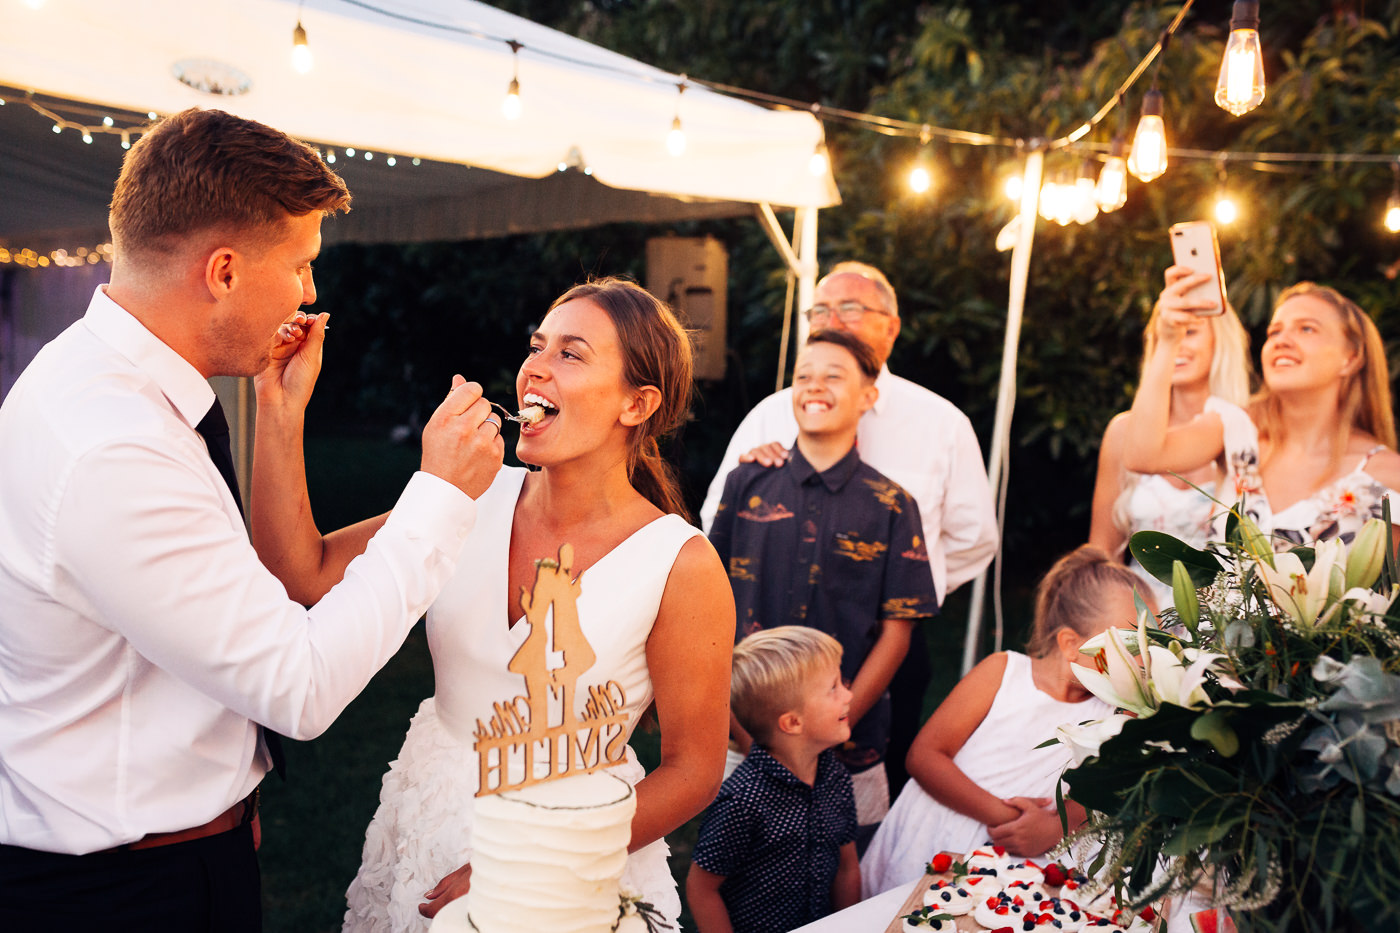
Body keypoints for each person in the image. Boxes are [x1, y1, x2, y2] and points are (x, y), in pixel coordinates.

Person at [0, 108, 504, 931]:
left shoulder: (102, 384)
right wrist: (439, 499)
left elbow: (253, 592)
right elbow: (296, 687)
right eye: (301, 264)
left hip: (169, 852)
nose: (310, 291)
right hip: (118, 894)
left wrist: (280, 413)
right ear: (224, 271)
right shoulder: (115, 448)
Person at [251, 276, 735, 932]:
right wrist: (279, 410)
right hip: (432, 813)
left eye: (570, 353)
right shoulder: (467, 498)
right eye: (536, 346)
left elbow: (695, 769)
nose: (535, 366)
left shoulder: (681, 563)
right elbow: (299, 573)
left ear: (636, 402)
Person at [700, 261, 997, 796]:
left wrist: (894, 592)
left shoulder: (940, 422)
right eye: (821, 309)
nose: (831, 319)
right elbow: (716, 530)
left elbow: (974, 536)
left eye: (851, 308)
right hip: (762, 651)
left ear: (891, 325)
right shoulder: (772, 414)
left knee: (861, 812)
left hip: (875, 646)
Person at [708, 329, 938, 837]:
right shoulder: (746, 483)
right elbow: (707, 607)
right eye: (803, 376)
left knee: (846, 884)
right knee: (740, 884)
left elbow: (897, 634)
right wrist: (744, 727)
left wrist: (835, 722)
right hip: (742, 733)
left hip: (848, 744)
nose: (815, 386)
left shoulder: (893, 505)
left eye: (834, 376)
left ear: (868, 397)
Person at [859, 545, 1145, 898]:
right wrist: (1006, 818)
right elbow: (924, 756)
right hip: (945, 832)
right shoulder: (1003, 672)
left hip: (1032, 860)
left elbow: (1113, 789)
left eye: (1149, 645)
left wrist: (1056, 828)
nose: (1143, 663)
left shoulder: (1121, 712)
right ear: (1072, 644)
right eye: (1129, 649)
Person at [1124, 268, 1400, 550]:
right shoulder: (1235, 430)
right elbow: (1143, 456)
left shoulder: (1385, 477)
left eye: (1306, 328)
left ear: (1351, 358)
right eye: (1274, 331)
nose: (1281, 340)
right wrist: (1168, 340)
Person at [686, 626, 861, 933]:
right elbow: (702, 888)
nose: (848, 694)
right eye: (833, 687)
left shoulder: (835, 778)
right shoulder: (742, 801)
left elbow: (847, 867)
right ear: (793, 722)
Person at [1089, 292, 1252, 605]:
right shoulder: (1124, 432)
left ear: (1221, 341)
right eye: (1167, 334)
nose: (1177, 343)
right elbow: (1103, 554)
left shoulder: (1246, 432)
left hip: (1224, 626)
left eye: (1190, 332)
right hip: (1138, 621)